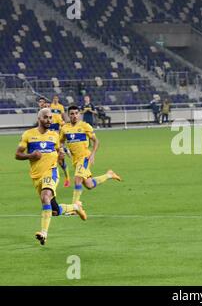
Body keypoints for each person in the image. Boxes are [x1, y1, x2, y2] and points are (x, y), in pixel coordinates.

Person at [15, 108, 87, 245]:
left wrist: (60, 154)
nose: (49, 120)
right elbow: (17, 154)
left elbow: (59, 150)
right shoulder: (28, 135)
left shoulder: (54, 135)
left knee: (45, 196)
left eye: (50, 118)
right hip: (37, 176)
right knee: (55, 210)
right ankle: (76, 207)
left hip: (51, 172)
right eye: (46, 118)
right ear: (39, 119)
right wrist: (30, 155)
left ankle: (44, 233)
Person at [60, 106, 122, 205]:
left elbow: (96, 141)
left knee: (77, 179)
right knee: (89, 185)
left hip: (85, 157)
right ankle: (109, 175)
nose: (74, 116)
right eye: (72, 114)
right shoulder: (64, 128)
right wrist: (61, 150)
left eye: (76, 113)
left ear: (79, 114)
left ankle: (74, 207)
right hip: (75, 160)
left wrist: (92, 154)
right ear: (68, 115)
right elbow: (61, 142)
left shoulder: (85, 126)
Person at [38, 96, 71, 188]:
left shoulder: (55, 117)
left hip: (54, 141)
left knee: (61, 161)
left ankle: (67, 178)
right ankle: (45, 178)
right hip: (46, 142)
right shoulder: (41, 119)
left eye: (48, 107)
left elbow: (62, 124)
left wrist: (59, 133)